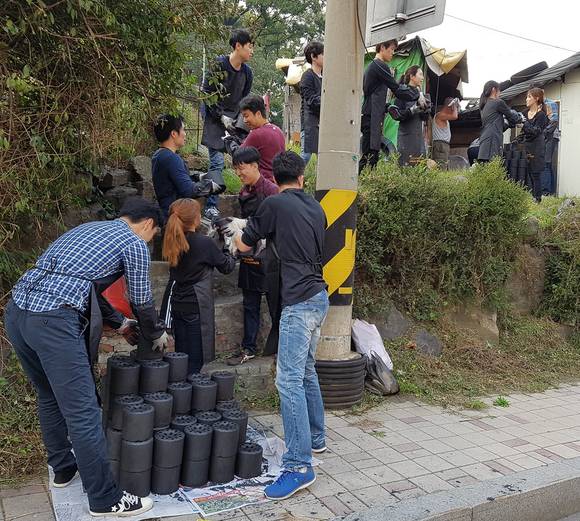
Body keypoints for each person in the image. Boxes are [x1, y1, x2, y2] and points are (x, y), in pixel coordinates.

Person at [4, 197, 169, 517]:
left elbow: (84, 284)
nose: (150, 240)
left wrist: (121, 324)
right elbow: (140, 299)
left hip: (17, 314)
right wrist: (155, 332)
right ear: (148, 224)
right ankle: (105, 499)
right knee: (84, 412)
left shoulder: (88, 229)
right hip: (53, 321)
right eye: (154, 234)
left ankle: (63, 468)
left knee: (49, 394)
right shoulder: (134, 242)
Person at [231, 151, 329, 500]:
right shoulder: (317, 208)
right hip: (319, 296)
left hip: (298, 301)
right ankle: (316, 439)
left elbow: (244, 243)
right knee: (305, 371)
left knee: (287, 380)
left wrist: (242, 237)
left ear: (278, 175)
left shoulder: (273, 204)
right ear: (302, 177)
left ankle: (299, 466)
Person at [162, 199, 235, 374]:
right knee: (196, 361)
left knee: (182, 356)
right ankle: (193, 397)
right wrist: (226, 244)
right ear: (195, 219)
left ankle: (180, 393)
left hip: (178, 304)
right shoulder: (203, 243)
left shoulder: (173, 241)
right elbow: (226, 266)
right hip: (196, 306)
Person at [225, 147, 279, 366]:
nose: (239, 173)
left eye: (241, 168)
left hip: (270, 256)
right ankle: (248, 348)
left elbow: (276, 224)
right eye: (236, 169)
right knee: (250, 304)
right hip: (249, 253)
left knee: (276, 304)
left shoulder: (271, 191)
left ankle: (280, 349)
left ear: (255, 165)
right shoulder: (244, 191)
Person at [201, 28, 254, 220]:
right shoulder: (219, 64)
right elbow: (206, 94)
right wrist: (220, 116)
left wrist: (240, 120)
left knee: (242, 159)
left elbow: (245, 101)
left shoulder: (248, 73)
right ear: (238, 46)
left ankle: (247, 203)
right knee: (216, 161)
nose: (252, 51)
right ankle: (211, 206)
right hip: (214, 115)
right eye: (249, 46)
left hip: (234, 119)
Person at [360, 39, 420, 171]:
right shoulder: (379, 66)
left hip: (372, 115)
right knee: (369, 157)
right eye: (391, 49)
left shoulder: (373, 66)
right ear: (382, 47)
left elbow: (374, 94)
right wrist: (417, 95)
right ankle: (356, 187)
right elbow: (396, 89)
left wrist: (387, 106)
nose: (393, 52)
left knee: (371, 156)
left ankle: (365, 187)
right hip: (371, 117)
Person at [152, 114, 221, 221]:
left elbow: (176, 183)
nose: (185, 134)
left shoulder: (159, 155)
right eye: (183, 130)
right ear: (174, 134)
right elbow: (188, 190)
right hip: (175, 217)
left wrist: (199, 177)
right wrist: (210, 186)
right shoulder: (171, 158)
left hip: (167, 213)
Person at [224, 95, 285, 183]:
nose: (244, 120)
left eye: (246, 116)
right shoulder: (278, 130)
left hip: (263, 185)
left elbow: (238, 156)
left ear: (258, 114)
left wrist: (228, 141)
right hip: (278, 183)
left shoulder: (257, 134)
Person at [390, 65, 430, 166]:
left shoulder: (421, 95)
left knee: (419, 168)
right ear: (412, 76)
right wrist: (412, 110)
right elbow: (396, 115)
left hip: (418, 138)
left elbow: (424, 118)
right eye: (420, 74)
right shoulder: (402, 93)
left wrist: (426, 110)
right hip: (406, 137)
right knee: (405, 167)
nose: (422, 77)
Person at [477, 80, 522, 163]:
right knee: (494, 169)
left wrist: (507, 123)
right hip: (493, 140)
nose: (500, 93)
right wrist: (520, 117)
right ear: (494, 90)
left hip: (484, 141)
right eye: (499, 90)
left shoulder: (483, 106)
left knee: (485, 170)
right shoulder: (498, 102)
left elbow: (499, 125)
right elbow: (513, 117)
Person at [521, 87, 549, 203]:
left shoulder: (541, 115)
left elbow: (535, 131)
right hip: (527, 145)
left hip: (537, 146)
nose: (526, 99)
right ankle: (533, 196)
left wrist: (524, 123)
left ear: (536, 98)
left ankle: (538, 198)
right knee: (529, 171)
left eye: (529, 97)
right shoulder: (524, 113)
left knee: (536, 173)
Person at [299, 41, 324, 165]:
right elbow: (311, 99)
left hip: (323, 124)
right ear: (314, 57)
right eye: (323, 54)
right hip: (309, 122)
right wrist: (328, 102)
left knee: (324, 157)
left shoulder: (325, 77)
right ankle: (288, 180)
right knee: (305, 155)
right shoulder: (307, 76)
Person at [432, 97, 460, 168]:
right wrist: (455, 105)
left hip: (443, 144)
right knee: (441, 166)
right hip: (440, 144)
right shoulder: (440, 115)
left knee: (444, 165)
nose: (454, 110)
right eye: (453, 108)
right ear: (449, 106)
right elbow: (455, 116)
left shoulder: (444, 118)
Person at [542, 97, 560, 194]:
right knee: (547, 165)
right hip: (547, 137)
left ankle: (546, 192)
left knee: (545, 163)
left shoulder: (550, 103)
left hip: (551, 136)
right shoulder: (539, 105)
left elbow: (553, 122)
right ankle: (550, 191)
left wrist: (542, 134)